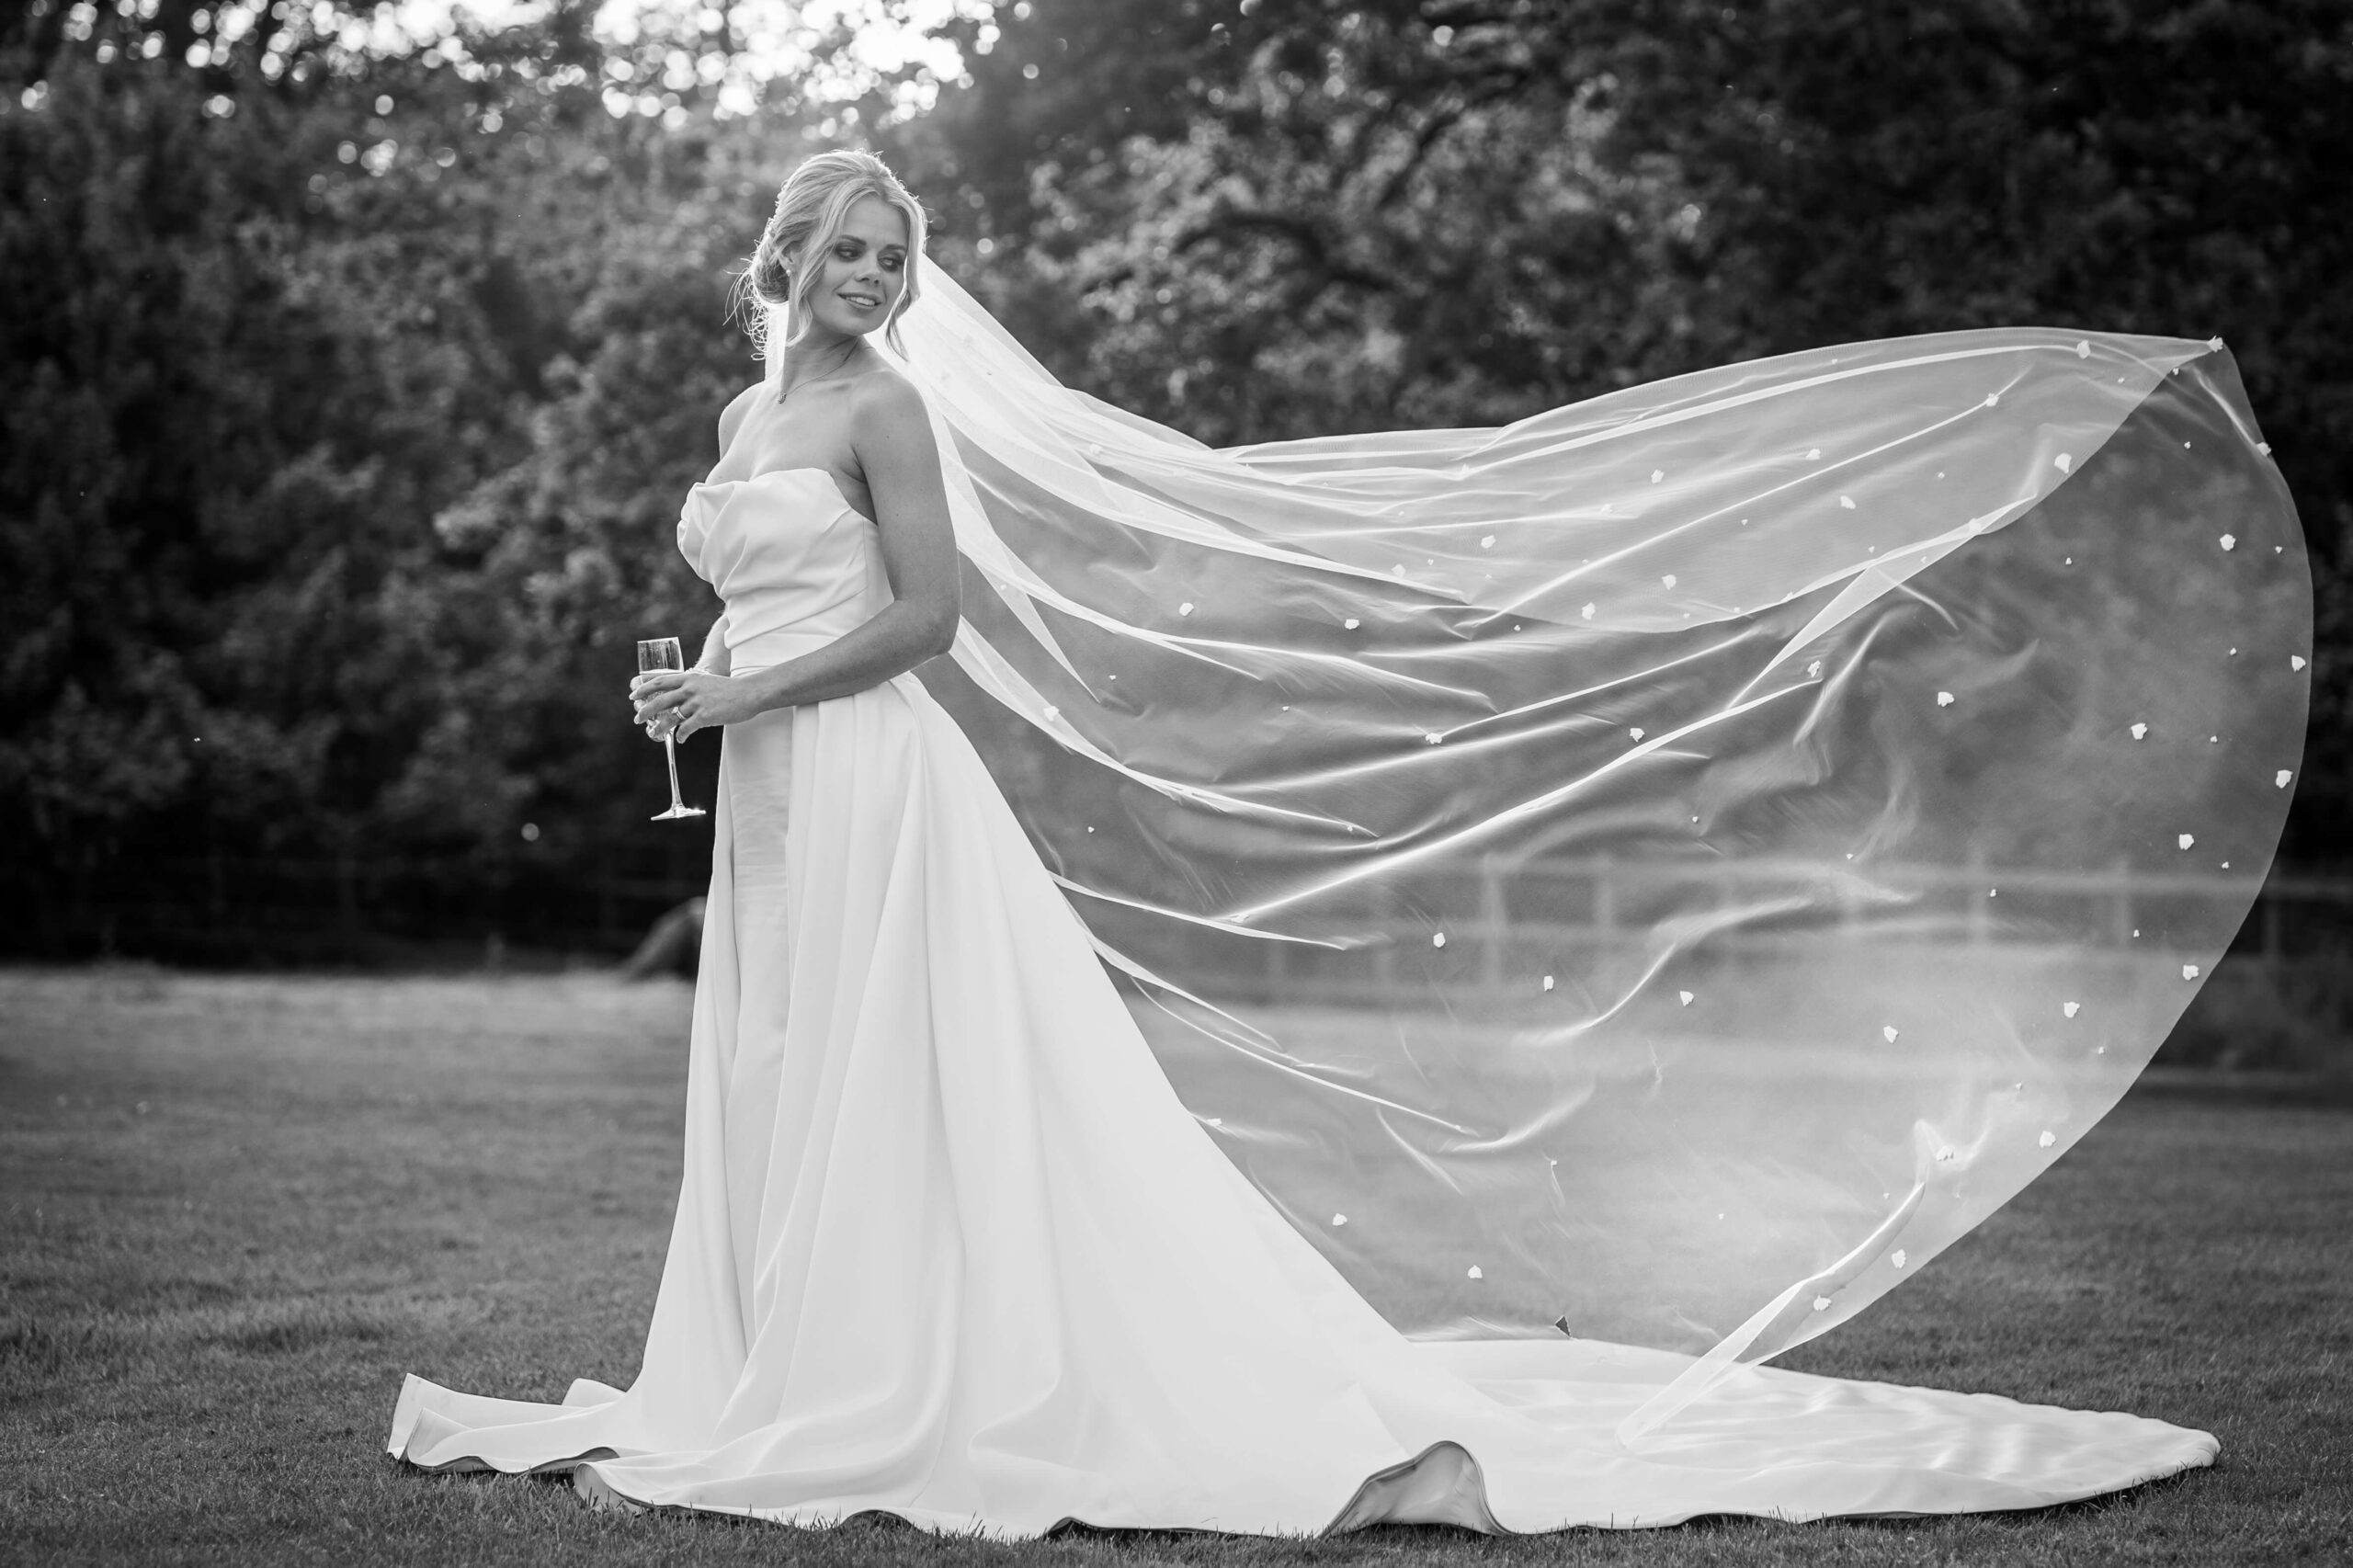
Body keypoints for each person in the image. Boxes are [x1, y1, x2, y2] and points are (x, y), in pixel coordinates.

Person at [387, 148, 2304, 1533]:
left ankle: (886, 1371)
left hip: (867, 772)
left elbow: (926, 621)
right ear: (788, 254)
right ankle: (774, 1354)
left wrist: (736, 696)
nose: (880, 280)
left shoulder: (888, 409)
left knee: (885, 1075)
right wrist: (710, 685)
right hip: (776, 793)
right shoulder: (748, 406)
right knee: (789, 1072)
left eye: (899, 255)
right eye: (854, 253)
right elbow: (761, 592)